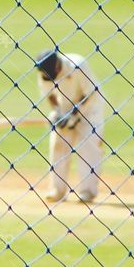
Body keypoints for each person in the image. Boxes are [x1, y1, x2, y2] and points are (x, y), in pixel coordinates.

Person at [34, 50, 105, 204]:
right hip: (65, 109)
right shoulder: (44, 72)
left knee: (88, 148)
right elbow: (50, 96)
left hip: (90, 110)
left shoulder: (77, 66)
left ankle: (87, 192)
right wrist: (58, 113)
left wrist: (75, 114)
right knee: (58, 145)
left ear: (58, 65)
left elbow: (90, 94)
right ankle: (57, 191)